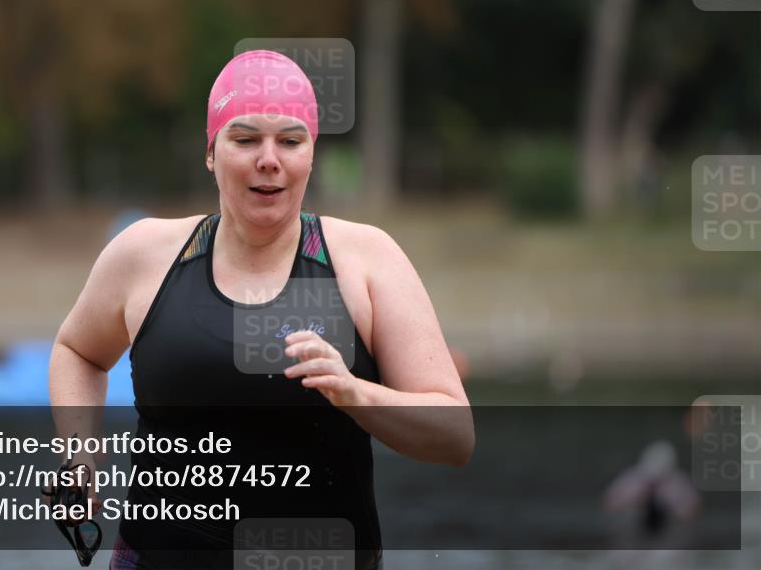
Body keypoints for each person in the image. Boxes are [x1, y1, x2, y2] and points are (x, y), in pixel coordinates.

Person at [49, 49, 474, 569]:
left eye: (290, 141)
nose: (268, 159)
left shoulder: (367, 260)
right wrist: (80, 457)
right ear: (211, 153)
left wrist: (354, 391)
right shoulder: (144, 255)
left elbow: (455, 435)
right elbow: (78, 350)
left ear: (311, 155)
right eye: (245, 139)